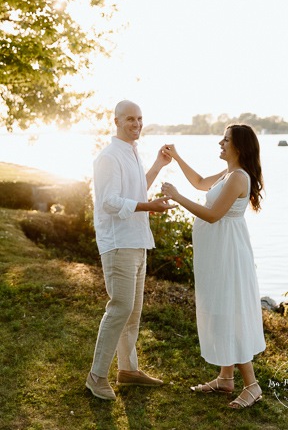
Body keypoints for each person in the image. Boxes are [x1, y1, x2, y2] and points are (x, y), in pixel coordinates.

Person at [160, 124, 266, 409]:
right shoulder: (228, 174)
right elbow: (199, 182)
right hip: (218, 252)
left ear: (238, 147)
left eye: (226, 140)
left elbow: (212, 215)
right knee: (220, 307)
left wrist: (176, 196)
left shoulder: (238, 178)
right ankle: (225, 377)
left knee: (231, 310)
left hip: (229, 253)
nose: (221, 142)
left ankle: (252, 385)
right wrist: (178, 157)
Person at [86, 100, 177, 401]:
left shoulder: (132, 153)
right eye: (129, 119)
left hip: (138, 240)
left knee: (133, 312)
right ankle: (96, 376)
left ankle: (128, 370)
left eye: (139, 118)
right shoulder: (109, 157)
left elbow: (138, 192)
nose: (136, 124)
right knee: (120, 308)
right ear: (115, 122)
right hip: (118, 243)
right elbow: (109, 202)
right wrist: (148, 206)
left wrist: (158, 166)